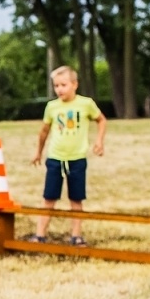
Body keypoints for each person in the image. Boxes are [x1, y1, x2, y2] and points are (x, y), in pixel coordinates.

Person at [32, 66, 107, 246]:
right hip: (56, 158)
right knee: (49, 197)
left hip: (77, 159)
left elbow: (101, 120)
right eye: (56, 86)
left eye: (63, 85)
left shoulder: (86, 104)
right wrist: (38, 152)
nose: (59, 89)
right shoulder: (52, 107)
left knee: (76, 198)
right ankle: (40, 234)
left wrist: (99, 141)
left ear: (75, 84)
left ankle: (76, 235)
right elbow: (44, 131)